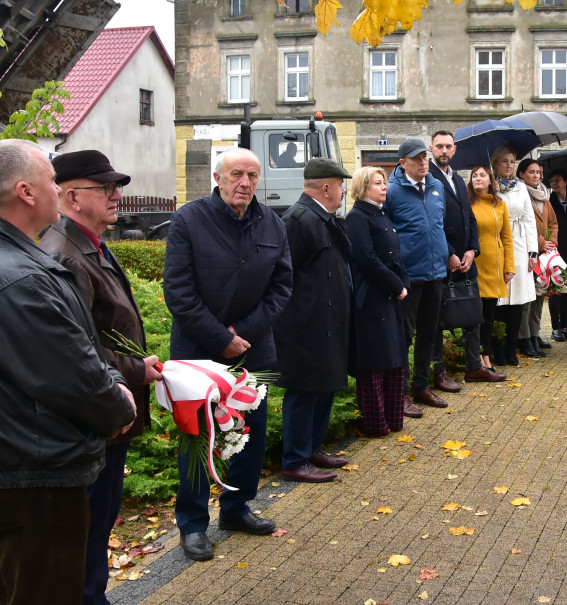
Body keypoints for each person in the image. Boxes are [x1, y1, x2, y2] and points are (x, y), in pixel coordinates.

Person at [0, 139, 137, 605]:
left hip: (24, 461)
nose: (58, 189)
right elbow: (68, 370)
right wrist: (117, 404)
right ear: (26, 192)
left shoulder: (0, 256)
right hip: (33, 468)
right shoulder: (10, 274)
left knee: (18, 592)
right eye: (52, 181)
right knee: (43, 597)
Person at [39, 150, 160, 605]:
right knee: (86, 527)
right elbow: (74, 348)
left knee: (96, 523)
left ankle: (94, 601)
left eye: (116, 186)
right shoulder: (64, 254)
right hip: (92, 419)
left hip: (106, 408)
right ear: (72, 196)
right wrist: (133, 370)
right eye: (105, 188)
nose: (117, 196)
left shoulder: (87, 243)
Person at [164, 147, 293, 561]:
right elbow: (178, 293)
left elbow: (281, 288)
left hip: (254, 350)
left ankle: (236, 509)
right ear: (218, 178)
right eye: (236, 174)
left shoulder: (272, 223)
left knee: (250, 437)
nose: (246, 183)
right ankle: (193, 523)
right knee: (198, 439)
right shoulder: (189, 220)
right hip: (198, 352)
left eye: (253, 176)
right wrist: (220, 338)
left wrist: (242, 333)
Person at [275, 158, 354, 483]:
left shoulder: (321, 218)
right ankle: (294, 460)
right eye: (340, 185)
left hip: (327, 320)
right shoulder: (298, 219)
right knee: (305, 389)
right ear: (326, 187)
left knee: (324, 385)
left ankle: (312, 449)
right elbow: (283, 276)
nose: (343, 190)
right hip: (305, 325)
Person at [384, 138, 450, 413]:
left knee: (429, 334)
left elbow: (440, 224)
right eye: (417, 158)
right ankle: (400, 395)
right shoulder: (391, 191)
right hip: (409, 277)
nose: (424, 162)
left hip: (436, 272)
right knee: (404, 337)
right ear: (403, 163)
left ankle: (421, 386)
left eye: (425, 156)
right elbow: (385, 233)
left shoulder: (436, 185)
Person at [345, 167, 411, 437]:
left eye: (385, 182)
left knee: (395, 358)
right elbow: (366, 259)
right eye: (378, 183)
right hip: (371, 298)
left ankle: (394, 419)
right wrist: (396, 286)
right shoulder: (357, 217)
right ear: (363, 188)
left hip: (391, 295)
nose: (385, 187)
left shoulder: (382, 213)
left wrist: (404, 282)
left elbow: (397, 254)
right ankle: (376, 424)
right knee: (373, 362)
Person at [428, 131, 489, 389]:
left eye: (448, 146)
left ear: (454, 150)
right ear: (432, 149)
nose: (444, 150)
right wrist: (450, 253)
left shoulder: (458, 178)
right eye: (439, 146)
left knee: (473, 314)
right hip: (443, 260)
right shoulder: (429, 179)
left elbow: (470, 219)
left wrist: (473, 250)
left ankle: (474, 367)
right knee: (438, 319)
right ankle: (439, 372)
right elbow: (432, 223)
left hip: (467, 260)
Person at [491, 146, 537, 366]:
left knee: (516, 299)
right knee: (497, 299)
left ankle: (512, 347)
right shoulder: (489, 186)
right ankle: (497, 348)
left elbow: (529, 219)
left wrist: (533, 252)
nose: (509, 166)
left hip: (518, 245)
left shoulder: (520, 187)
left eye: (512, 161)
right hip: (496, 243)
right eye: (504, 161)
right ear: (494, 164)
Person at [468, 164, 514, 374]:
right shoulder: (467, 203)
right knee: (474, 316)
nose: (478, 178)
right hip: (474, 264)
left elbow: (506, 237)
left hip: (495, 265)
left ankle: (486, 355)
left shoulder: (500, 204)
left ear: (490, 180)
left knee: (489, 315)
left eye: (482, 175)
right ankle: (475, 357)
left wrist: (509, 266)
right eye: (475, 175)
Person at [517, 158, 558, 358]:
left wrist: (552, 243)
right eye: (531, 172)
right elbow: (523, 224)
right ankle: (524, 338)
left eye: (538, 172)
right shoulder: (519, 193)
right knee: (526, 298)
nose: (536, 176)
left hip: (544, 255)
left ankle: (535, 334)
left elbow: (553, 223)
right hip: (527, 253)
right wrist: (541, 242)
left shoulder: (545, 195)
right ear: (521, 174)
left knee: (540, 296)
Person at [547, 170, 567, 343]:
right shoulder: (549, 201)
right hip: (556, 252)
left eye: (558, 180)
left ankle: (565, 327)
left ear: (566, 182)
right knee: (556, 290)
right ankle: (555, 328)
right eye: (552, 181)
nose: (554, 183)